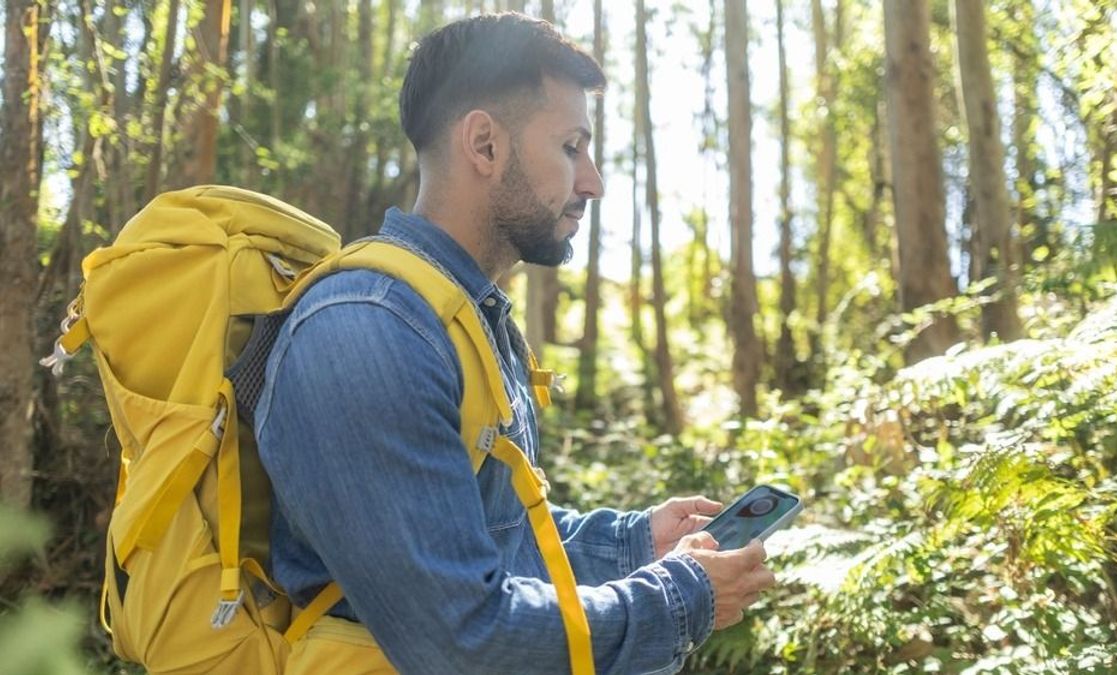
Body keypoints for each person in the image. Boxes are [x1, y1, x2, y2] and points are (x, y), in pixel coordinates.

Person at [255, 12, 775, 674]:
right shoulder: (367, 330)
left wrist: (637, 541)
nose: (592, 181)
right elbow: (460, 638)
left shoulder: (466, 319)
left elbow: (490, 537)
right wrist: (683, 593)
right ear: (484, 144)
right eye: (570, 146)